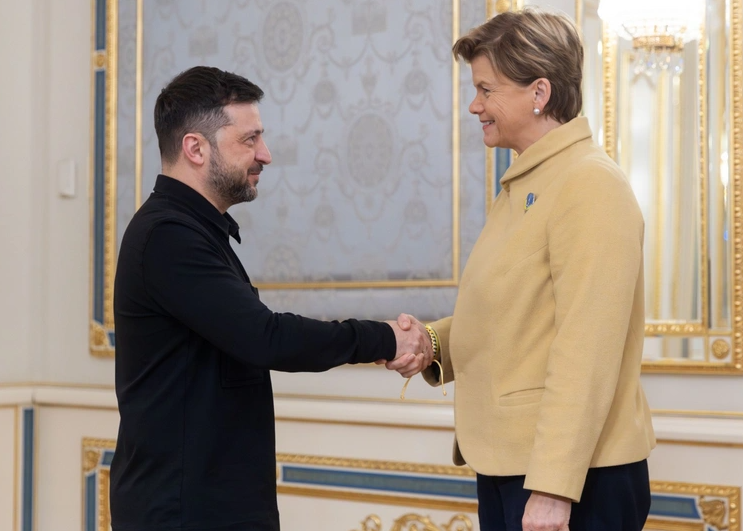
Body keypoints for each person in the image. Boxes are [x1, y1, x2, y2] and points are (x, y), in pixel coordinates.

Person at [110, 66, 432, 531]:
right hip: (183, 511)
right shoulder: (168, 236)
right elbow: (266, 338)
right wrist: (383, 338)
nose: (266, 154)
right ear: (195, 149)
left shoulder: (191, 231)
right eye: (250, 139)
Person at [387, 9, 656, 531]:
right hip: (515, 465)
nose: (475, 105)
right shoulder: (529, 184)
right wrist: (431, 342)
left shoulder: (589, 184)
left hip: (570, 477)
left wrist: (554, 488)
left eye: (486, 90)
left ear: (539, 92)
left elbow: (587, 349)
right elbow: (516, 318)